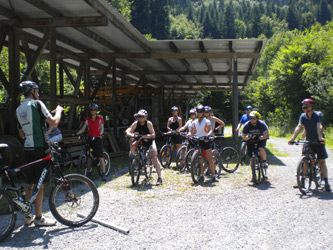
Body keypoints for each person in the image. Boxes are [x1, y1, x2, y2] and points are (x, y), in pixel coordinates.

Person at [16, 81, 64, 226]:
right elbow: (54, 123)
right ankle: (39, 218)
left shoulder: (18, 109)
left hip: (27, 148)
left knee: (29, 183)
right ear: (31, 91)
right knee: (40, 184)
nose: (38, 93)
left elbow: (21, 134)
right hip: (39, 148)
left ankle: (27, 216)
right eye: (36, 90)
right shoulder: (37, 104)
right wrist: (59, 111)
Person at [288, 98, 331, 191]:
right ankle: (302, 181)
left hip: (318, 141)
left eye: (305, 106)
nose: (303, 108)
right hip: (308, 141)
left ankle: (326, 183)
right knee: (305, 162)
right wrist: (292, 138)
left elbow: (319, 125)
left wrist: (320, 137)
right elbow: (299, 127)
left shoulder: (318, 114)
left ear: (311, 107)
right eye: (303, 106)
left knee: (322, 162)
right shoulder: (303, 116)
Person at [125, 109, 163, 185]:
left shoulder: (149, 124)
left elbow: (153, 135)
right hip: (140, 140)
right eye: (139, 116)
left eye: (142, 116)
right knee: (132, 146)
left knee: (154, 157)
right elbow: (128, 131)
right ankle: (137, 159)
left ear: (146, 117)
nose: (140, 118)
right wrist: (133, 135)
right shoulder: (135, 123)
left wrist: (143, 136)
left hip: (149, 141)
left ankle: (159, 177)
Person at [73, 103, 107, 181]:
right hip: (90, 139)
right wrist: (76, 133)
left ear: (96, 110)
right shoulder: (87, 119)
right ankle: (89, 171)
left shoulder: (100, 119)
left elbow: (102, 128)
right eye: (91, 109)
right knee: (89, 156)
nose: (93, 111)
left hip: (97, 139)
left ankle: (103, 173)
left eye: (94, 109)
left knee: (100, 157)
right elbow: (83, 129)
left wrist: (101, 134)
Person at [188, 105, 218, 182]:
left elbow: (211, 130)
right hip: (198, 140)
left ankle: (214, 175)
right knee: (200, 159)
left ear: (203, 113)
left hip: (206, 140)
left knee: (210, 158)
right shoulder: (194, 122)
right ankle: (201, 175)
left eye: (201, 112)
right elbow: (191, 132)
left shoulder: (207, 121)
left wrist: (208, 135)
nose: (199, 113)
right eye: (198, 112)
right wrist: (186, 135)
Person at [242, 111, 269, 180]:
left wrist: (261, 137)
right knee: (251, 158)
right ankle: (253, 175)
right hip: (250, 140)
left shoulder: (261, 124)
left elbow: (267, 134)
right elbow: (243, 136)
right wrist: (246, 137)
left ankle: (264, 161)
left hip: (260, 139)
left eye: (254, 118)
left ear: (257, 118)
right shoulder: (247, 125)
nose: (252, 120)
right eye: (250, 118)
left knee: (261, 148)